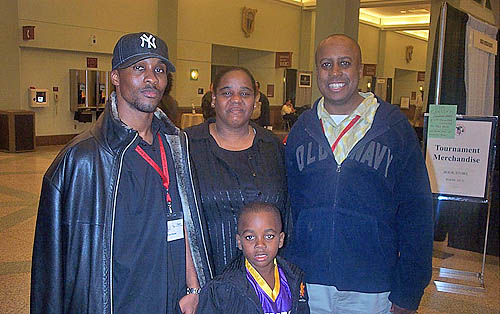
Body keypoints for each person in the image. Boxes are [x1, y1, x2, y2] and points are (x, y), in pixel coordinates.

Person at [30, 32, 211, 314]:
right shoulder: (83, 159)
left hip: (173, 301)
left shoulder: (176, 144)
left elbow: (184, 219)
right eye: (139, 68)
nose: (151, 78)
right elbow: (51, 268)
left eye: (159, 69)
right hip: (118, 302)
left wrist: (193, 286)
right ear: (115, 77)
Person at [284, 34, 433, 314]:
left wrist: (409, 291)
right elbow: (288, 208)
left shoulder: (394, 128)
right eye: (326, 64)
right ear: (317, 71)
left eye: (345, 63)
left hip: (372, 287)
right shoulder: (301, 130)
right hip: (308, 283)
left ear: (360, 70)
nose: (335, 72)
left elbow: (418, 213)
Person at [184, 66, 288, 277]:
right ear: (213, 98)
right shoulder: (188, 146)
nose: (236, 100)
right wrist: (192, 285)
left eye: (244, 93)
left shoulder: (272, 146)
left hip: (266, 280)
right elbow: (179, 219)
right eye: (227, 93)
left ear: (255, 100)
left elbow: (286, 211)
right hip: (209, 277)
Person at [197, 202, 309, 314]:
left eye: (269, 236)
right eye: (250, 237)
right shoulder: (222, 289)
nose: (260, 244)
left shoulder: (294, 277)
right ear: (239, 242)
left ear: (280, 240)